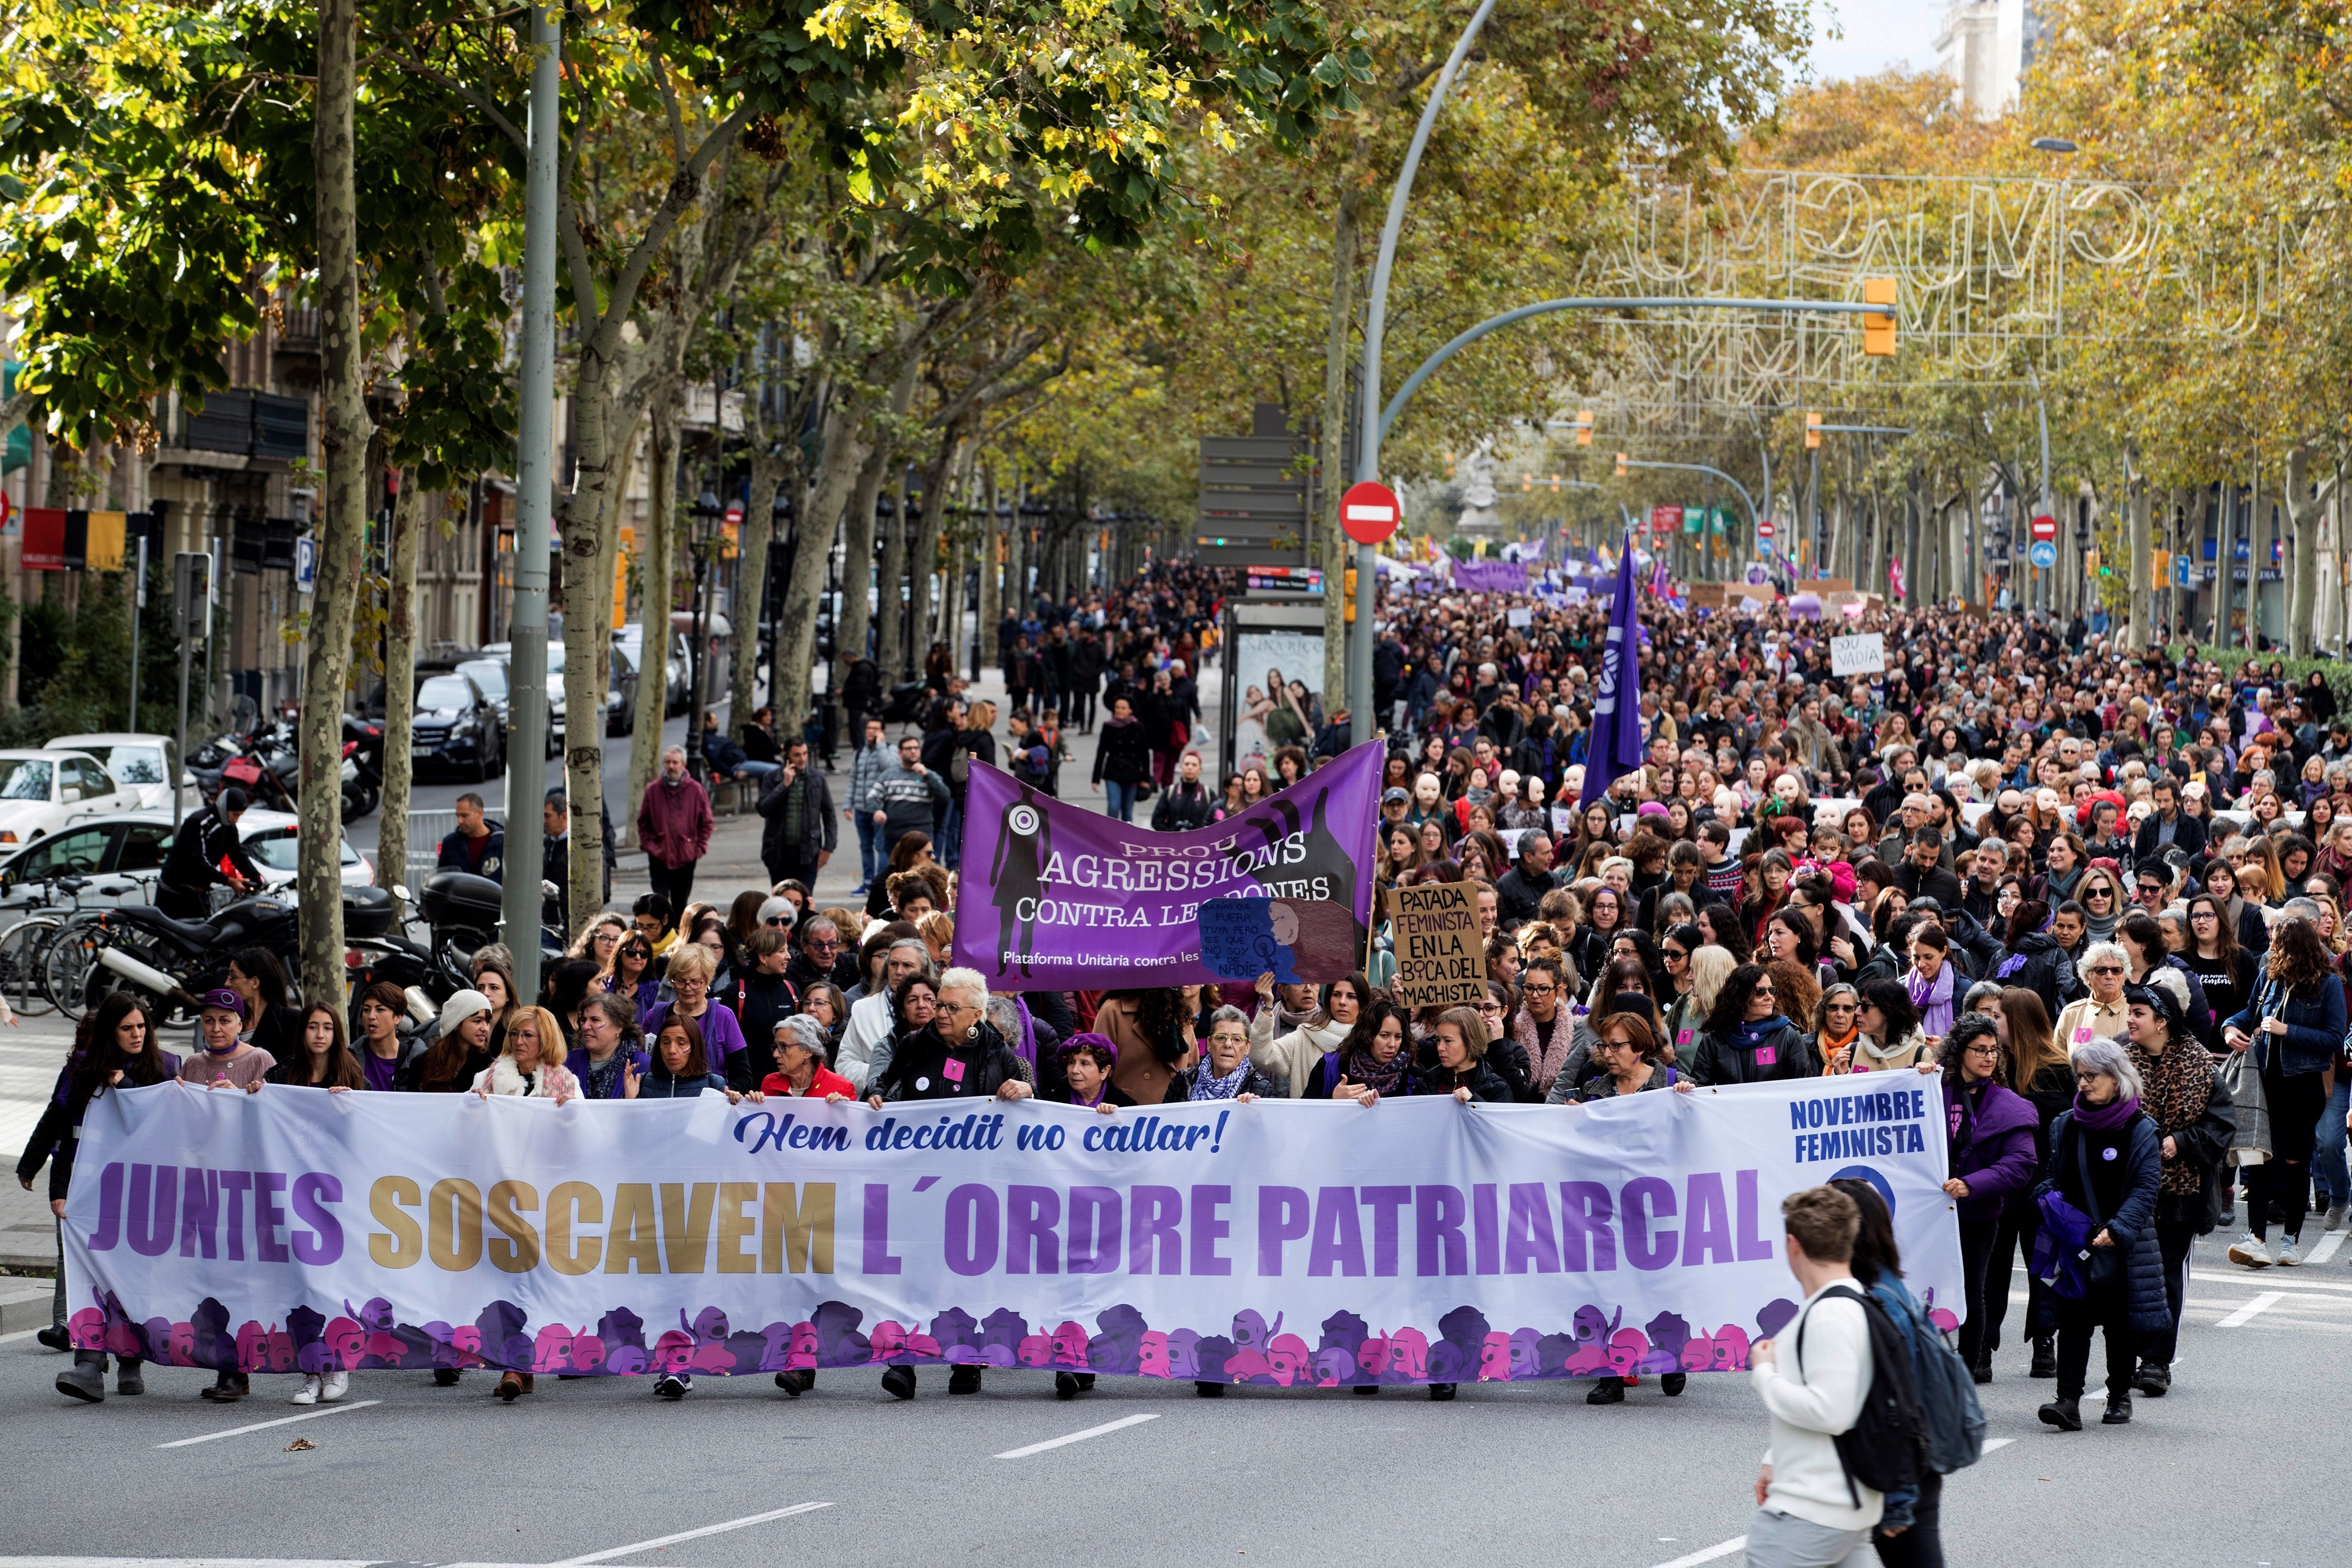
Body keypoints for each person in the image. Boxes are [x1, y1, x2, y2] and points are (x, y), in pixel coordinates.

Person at [864, 967, 1032, 1398]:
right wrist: (876, 1095)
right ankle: (904, 1363)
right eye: (939, 1004)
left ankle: (965, 1360)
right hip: (920, 1180)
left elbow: (1029, 1097)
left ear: (976, 1013)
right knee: (914, 1270)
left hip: (973, 1185)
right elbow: (881, 1081)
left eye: (951, 1007)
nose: (939, 1012)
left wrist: (1024, 1090)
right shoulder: (914, 1044)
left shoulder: (997, 1052)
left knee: (965, 1274)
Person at [25, 994, 176, 1389]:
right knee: (90, 1274)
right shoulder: (81, 1069)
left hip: (138, 1194)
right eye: (127, 1028)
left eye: (142, 1026)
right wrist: (53, 1183)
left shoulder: (161, 1068)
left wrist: (125, 1085)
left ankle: (130, 1360)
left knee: (127, 1277)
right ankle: (89, 1365)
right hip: (89, 1192)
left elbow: (160, 1128)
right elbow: (64, 1130)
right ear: (111, 1032)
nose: (137, 1034)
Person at [2032, 1037, 2165, 1432]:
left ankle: (2118, 1395)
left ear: (2116, 1077)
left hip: (2122, 1245)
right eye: (2079, 1077)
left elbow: (2145, 1188)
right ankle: (2067, 1402)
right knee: (2073, 1319)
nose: (2084, 1084)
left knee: (2118, 1324)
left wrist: (2118, 1228)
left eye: (2092, 1076)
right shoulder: (2064, 1125)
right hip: (2074, 1243)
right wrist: (2047, 1200)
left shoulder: (2140, 1129)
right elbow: (2053, 1177)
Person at [1746, 1185, 1881, 1566]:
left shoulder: (1829, 1315)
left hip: (1813, 1509)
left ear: (1793, 1245)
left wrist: (1764, 1373)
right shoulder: (1856, 1301)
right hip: (1845, 1505)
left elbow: (1830, 1411)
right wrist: (1776, 1457)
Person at [2120, 971, 2232, 1397]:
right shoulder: (2118, 1058)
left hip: (2180, 1189)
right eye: (2130, 1012)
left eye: (2138, 1013)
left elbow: (2221, 1127)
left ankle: (2155, 1362)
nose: (2130, 1020)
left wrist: (2179, 1141)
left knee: (2164, 1277)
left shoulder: (2201, 1064)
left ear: (2162, 1020)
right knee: (2127, 1276)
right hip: (2128, 1188)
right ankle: (2124, 1357)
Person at [1824, 1177, 1942, 1566]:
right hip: (1895, 1466)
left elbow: (1895, 1402)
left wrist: (1897, 1499)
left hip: (1895, 1470)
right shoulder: (1879, 1285)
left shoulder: (1873, 1303)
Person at [2220, 914, 2347, 1267]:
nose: (2272, 947)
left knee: (2295, 1162)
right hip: (2265, 1083)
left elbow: (2334, 1038)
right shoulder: (2269, 975)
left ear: (2298, 947)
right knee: (2259, 1157)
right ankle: (2256, 1238)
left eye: (2279, 942)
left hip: (2304, 1085)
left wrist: (2286, 1030)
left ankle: (2290, 1240)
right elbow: (2247, 1013)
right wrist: (2230, 1030)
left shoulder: (2328, 984)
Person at [1936, 1013, 2039, 1382]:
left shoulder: (2008, 1104)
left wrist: (1971, 1184)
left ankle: (1967, 1367)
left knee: (1970, 1291)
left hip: (1977, 1215)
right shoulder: (1930, 1089)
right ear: (1958, 1051)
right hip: (1928, 1215)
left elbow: (2021, 1162)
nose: (1988, 1057)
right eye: (1979, 1050)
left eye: (1993, 1050)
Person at [643, 942, 755, 1092]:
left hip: (709, 1106)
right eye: (681, 981)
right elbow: (641, 1064)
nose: (688, 988)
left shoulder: (724, 1017)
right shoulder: (656, 1016)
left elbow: (743, 1076)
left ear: (707, 981)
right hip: (662, 1102)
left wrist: (722, 1094)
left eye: (695, 982)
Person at [1689, 964, 1815, 1085]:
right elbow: (1700, 1087)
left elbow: (1802, 1086)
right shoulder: (1714, 1040)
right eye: (1760, 992)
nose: (1770, 997)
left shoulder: (1788, 1036)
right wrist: (1689, 1088)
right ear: (1740, 997)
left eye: (1772, 991)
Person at [1248, 972, 1365, 1098]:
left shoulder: (1373, 1040)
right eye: (1336, 995)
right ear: (1328, 998)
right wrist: (1267, 1004)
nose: (1342, 1002)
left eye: (1351, 997)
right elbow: (1260, 1054)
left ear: (1363, 1002)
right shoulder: (1306, 1035)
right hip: (1307, 1116)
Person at [156, 785, 263, 919]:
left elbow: (237, 853)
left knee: (205, 934)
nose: (236, 820)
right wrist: (228, 881)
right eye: (235, 815)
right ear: (224, 807)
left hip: (198, 893)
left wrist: (257, 878)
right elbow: (197, 861)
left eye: (240, 816)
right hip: (175, 892)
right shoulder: (198, 822)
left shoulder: (229, 827)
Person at [636, 745, 715, 913]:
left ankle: (680, 936)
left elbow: (707, 822)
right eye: (667, 762)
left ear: (683, 764)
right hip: (659, 856)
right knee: (659, 904)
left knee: (681, 905)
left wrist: (698, 848)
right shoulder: (653, 790)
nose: (671, 766)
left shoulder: (695, 790)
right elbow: (643, 822)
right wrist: (650, 846)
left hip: (686, 856)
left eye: (675, 763)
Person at [758, 739, 838, 886]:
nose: (802, 759)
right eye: (797, 755)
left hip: (808, 853)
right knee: (781, 904)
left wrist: (829, 848)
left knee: (805, 901)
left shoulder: (817, 779)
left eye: (805, 754)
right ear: (787, 755)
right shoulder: (772, 778)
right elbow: (763, 809)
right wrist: (784, 785)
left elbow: (829, 815)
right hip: (778, 852)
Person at [181, 988, 275, 1091]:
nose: (216, 1029)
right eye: (209, 1021)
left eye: (224, 1021)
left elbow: (272, 1105)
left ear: (239, 1026)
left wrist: (237, 1095)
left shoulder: (259, 1060)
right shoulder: (193, 1063)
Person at [410, 990, 498, 1097]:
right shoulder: (423, 1062)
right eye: (477, 1021)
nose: (485, 1028)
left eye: (488, 1022)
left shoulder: (489, 1068)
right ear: (456, 1023)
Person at [275, 995, 368, 1092]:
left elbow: (367, 1104)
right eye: (313, 1027)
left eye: (327, 1028)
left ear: (336, 1033)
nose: (320, 1035)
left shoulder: (352, 1074)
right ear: (302, 1031)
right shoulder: (284, 1074)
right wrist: (261, 1093)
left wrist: (350, 1101)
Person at [565, 993, 649, 1100]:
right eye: (584, 1020)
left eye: (595, 1020)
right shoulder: (567, 1063)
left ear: (619, 1026)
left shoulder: (643, 1067)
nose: (585, 1027)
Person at [2052, 941, 2132, 1053]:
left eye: (2116, 970)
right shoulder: (2071, 1014)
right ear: (2087, 977)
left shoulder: (2135, 1013)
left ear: (2124, 977)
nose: (2109, 976)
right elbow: (2059, 1063)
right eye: (2101, 970)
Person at [845, 716, 893, 893]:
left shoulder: (889, 750)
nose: (872, 732)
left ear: (883, 732)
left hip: (879, 809)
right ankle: (867, 882)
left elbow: (889, 769)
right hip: (860, 808)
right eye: (869, 728)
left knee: (881, 847)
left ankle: (879, 885)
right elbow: (853, 779)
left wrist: (880, 746)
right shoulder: (859, 752)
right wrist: (847, 804)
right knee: (865, 847)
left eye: (876, 729)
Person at [1092, 693, 1153, 821]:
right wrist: (1096, 778)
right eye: (1117, 707)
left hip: (1132, 774)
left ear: (1130, 710)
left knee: (1127, 811)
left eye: (1123, 708)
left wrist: (1145, 778)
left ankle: (1126, 839)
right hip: (1113, 772)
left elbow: (1145, 754)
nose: (1119, 710)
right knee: (1114, 807)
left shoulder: (1137, 727)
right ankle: (1111, 837)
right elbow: (1101, 752)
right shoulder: (1108, 726)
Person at [436, 790, 505, 879]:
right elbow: (442, 876)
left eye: (465, 816)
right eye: (458, 816)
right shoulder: (450, 842)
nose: (460, 821)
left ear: (480, 813)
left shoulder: (502, 841)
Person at [1150, 748, 1217, 831]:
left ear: (1200, 769)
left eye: (1194, 765)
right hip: (1175, 841)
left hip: (1200, 842)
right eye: (1187, 764)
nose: (1190, 767)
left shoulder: (1208, 793)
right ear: (1182, 767)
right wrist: (1171, 834)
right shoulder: (1171, 791)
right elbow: (1156, 820)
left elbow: (1218, 821)